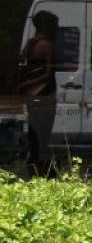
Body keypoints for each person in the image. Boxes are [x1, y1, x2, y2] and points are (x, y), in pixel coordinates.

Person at [16, 10, 58, 164]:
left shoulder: (30, 43)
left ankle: (33, 159)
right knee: (43, 131)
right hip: (44, 93)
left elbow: (21, 61)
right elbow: (48, 72)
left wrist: (25, 83)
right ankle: (39, 161)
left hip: (31, 94)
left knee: (34, 127)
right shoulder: (47, 45)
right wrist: (32, 82)